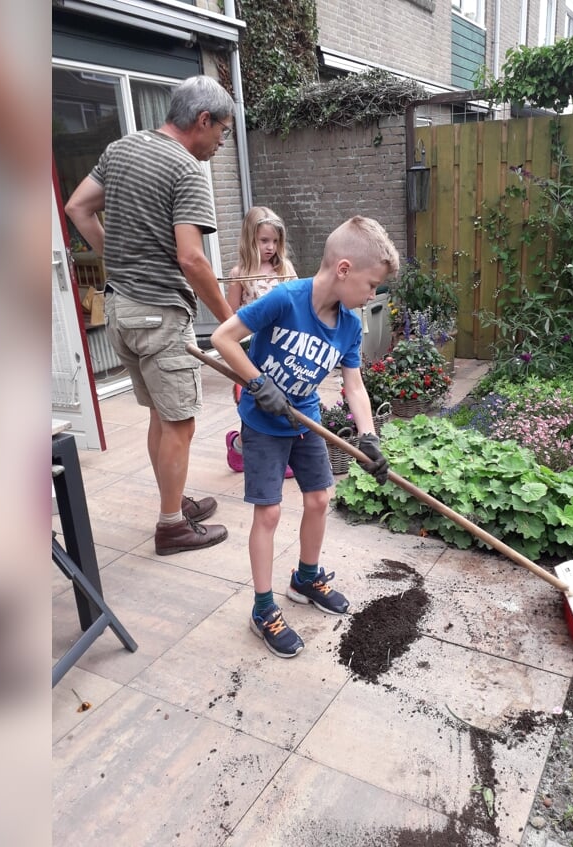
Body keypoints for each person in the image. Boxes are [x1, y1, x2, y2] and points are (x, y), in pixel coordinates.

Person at [211, 217, 398, 659]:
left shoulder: (349, 326)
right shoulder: (285, 300)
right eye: (371, 285)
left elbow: (353, 385)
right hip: (262, 422)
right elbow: (223, 338)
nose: (372, 295)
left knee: (318, 499)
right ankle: (262, 608)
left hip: (303, 418)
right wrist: (258, 383)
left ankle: (306, 578)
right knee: (270, 512)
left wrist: (369, 438)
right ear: (344, 269)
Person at [65, 75, 236, 556]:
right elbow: (192, 259)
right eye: (222, 131)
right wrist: (228, 321)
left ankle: (173, 503)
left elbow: (77, 207)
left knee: (162, 417)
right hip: (159, 315)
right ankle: (171, 526)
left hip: (121, 308)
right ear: (202, 120)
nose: (221, 143)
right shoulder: (185, 169)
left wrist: (116, 260)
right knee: (179, 423)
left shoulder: (121, 149)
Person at [223, 206, 297, 474]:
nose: (270, 247)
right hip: (252, 350)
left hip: (283, 347)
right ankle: (239, 446)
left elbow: (297, 303)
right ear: (249, 239)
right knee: (254, 402)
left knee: (284, 400)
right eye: (264, 241)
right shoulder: (239, 273)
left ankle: (284, 454)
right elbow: (229, 316)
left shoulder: (285, 269)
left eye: (275, 241)